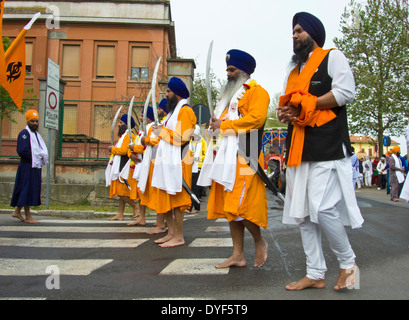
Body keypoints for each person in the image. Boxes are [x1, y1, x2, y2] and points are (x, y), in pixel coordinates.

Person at [277, 12, 364, 291]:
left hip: (327, 145)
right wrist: (286, 113)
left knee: (323, 208)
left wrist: (309, 104)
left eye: (299, 30)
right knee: (302, 214)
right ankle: (315, 272)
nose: (294, 35)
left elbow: (345, 92)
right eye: (293, 31)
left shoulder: (332, 57)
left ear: (313, 34)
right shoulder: (293, 72)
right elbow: (292, 108)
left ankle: (348, 265)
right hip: (299, 149)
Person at [198, 49, 270, 268]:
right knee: (230, 208)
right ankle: (238, 254)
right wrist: (214, 126)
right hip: (224, 158)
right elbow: (220, 125)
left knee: (241, 206)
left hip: (245, 155)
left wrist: (225, 125)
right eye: (227, 70)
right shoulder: (226, 98)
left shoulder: (258, 92)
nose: (228, 74)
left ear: (244, 72)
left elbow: (256, 120)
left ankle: (259, 241)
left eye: (232, 69)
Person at [150, 77, 197, 247]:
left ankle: (179, 236)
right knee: (166, 196)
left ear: (176, 93)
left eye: (168, 91)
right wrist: (159, 131)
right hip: (166, 160)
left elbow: (181, 138)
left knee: (178, 199)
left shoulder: (185, 111)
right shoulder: (172, 113)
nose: (166, 94)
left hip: (180, 159)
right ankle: (171, 233)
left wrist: (161, 132)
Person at [10, 110, 48, 224]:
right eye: (32, 121)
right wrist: (36, 155)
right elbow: (21, 151)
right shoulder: (24, 134)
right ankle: (28, 216)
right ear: (28, 121)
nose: (35, 123)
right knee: (26, 189)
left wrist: (40, 156)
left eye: (37, 121)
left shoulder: (36, 135)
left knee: (29, 189)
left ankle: (17, 211)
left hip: (34, 166)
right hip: (27, 166)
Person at [106, 113, 138, 220]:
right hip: (119, 166)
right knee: (121, 191)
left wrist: (112, 149)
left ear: (126, 125)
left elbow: (124, 151)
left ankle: (135, 206)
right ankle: (120, 213)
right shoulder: (123, 137)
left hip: (124, 167)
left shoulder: (130, 136)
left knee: (120, 192)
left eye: (121, 122)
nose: (119, 125)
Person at [186, 125, 207, 214]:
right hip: (190, 167)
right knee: (190, 188)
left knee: (195, 188)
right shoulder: (190, 141)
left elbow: (206, 155)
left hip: (198, 167)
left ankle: (196, 207)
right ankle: (189, 207)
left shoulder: (202, 142)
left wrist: (196, 159)